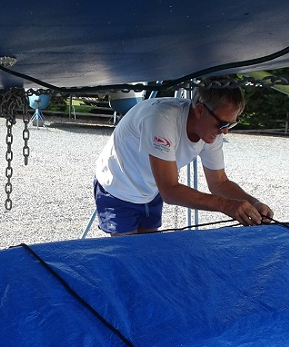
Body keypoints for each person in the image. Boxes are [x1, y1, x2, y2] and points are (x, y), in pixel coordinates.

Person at [93, 82, 273, 236]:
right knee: (128, 259)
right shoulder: (162, 120)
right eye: (222, 124)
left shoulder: (211, 131)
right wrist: (226, 205)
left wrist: (254, 204)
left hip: (151, 190)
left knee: (150, 252)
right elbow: (170, 191)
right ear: (200, 110)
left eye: (231, 124)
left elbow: (219, 182)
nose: (225, 131)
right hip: (118, 187)